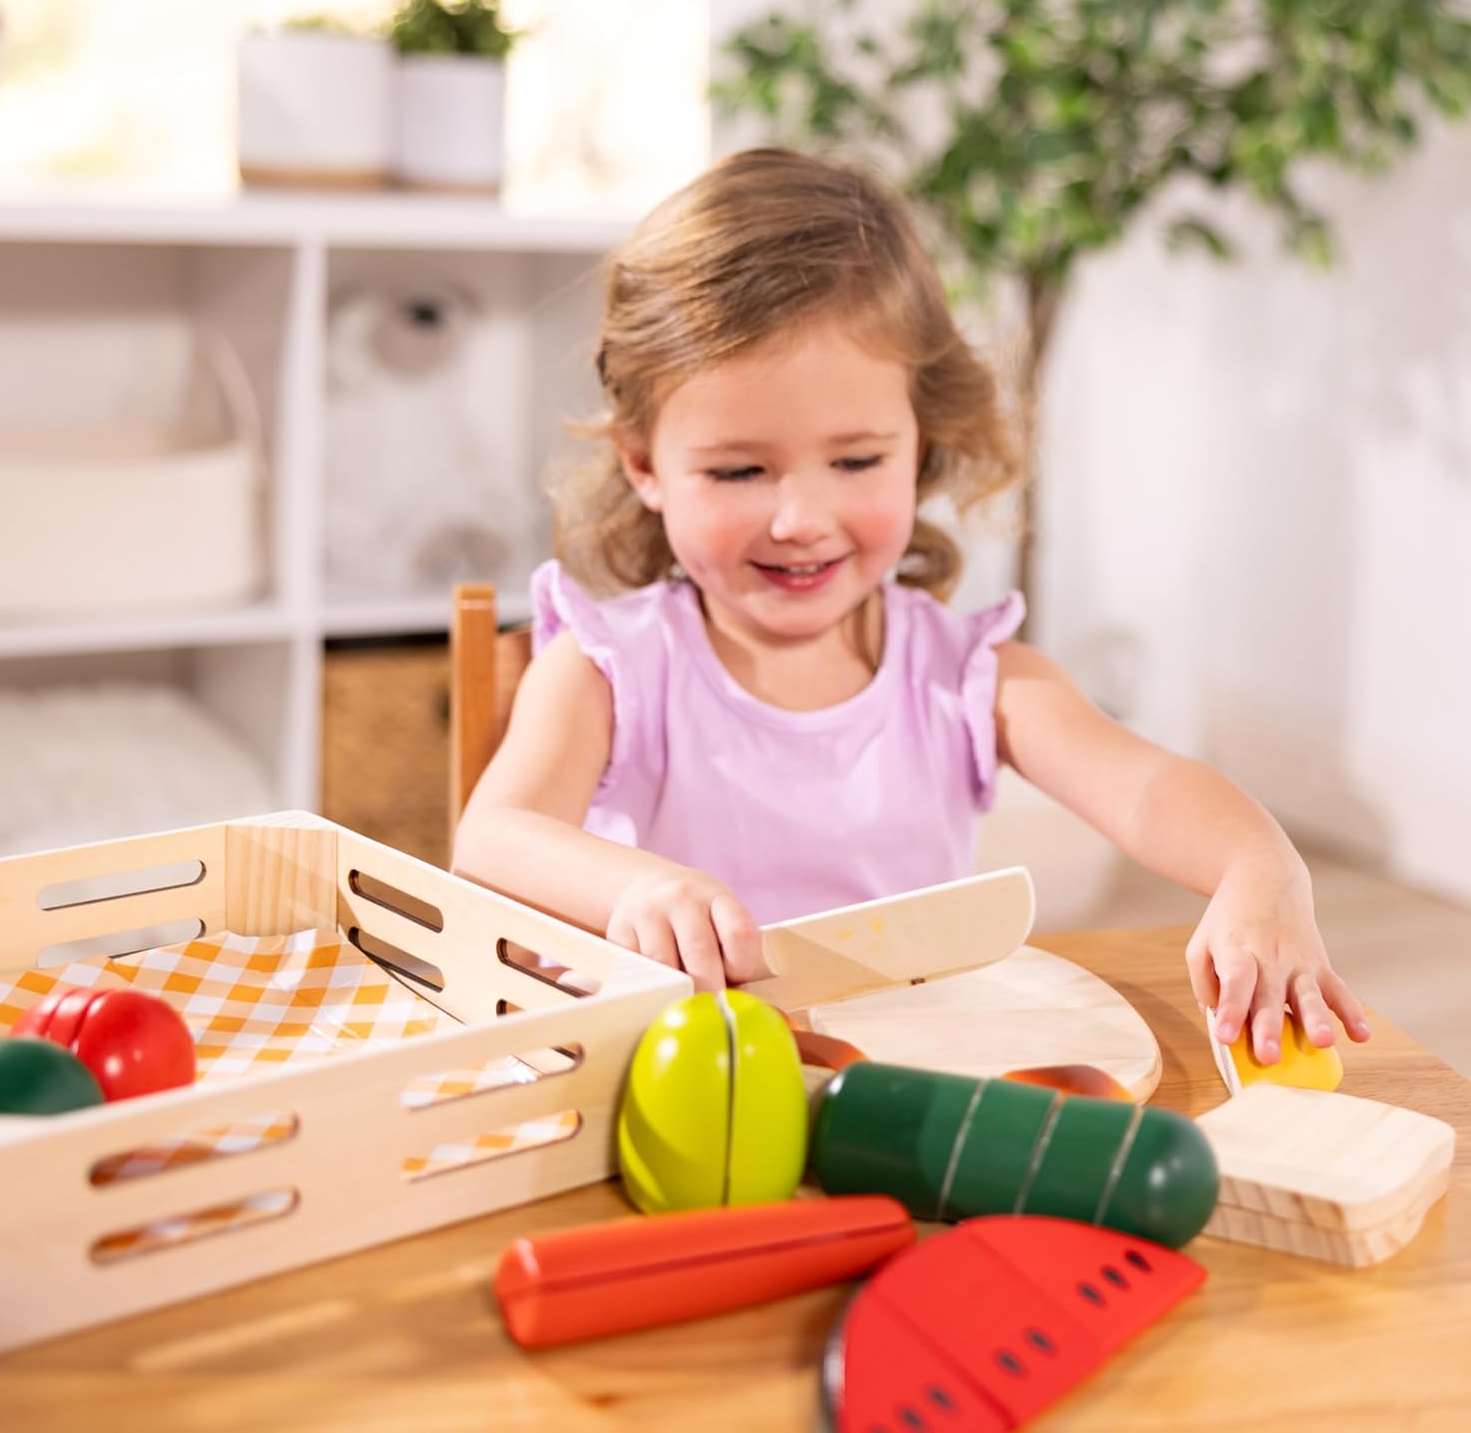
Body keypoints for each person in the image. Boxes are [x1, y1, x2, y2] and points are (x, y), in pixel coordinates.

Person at [452, 146, 1370, 1067]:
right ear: (644, 463)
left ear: (920, 444)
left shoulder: (969, 679)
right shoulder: (612, 668)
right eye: (738, 469)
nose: (801, 520)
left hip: (905, 1099)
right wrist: (636, 890)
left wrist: (1262, 865)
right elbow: (493, 839)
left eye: (856, 461)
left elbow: (1149, 789)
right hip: (678, 1090)